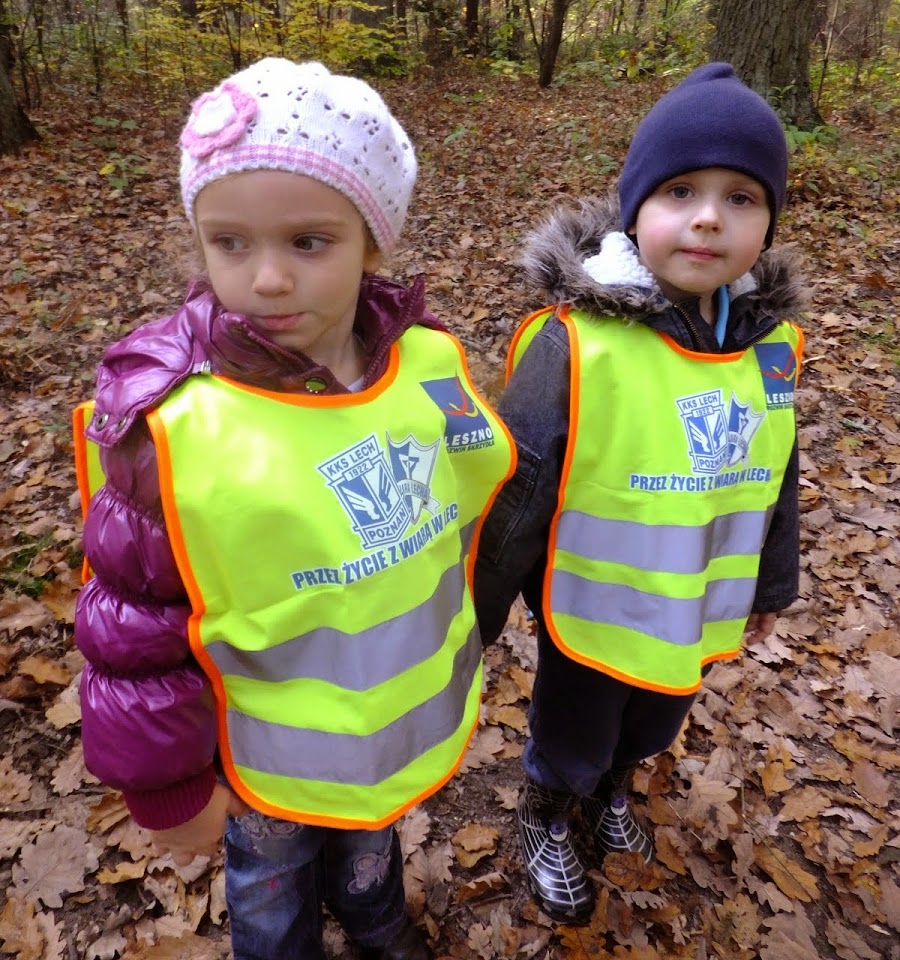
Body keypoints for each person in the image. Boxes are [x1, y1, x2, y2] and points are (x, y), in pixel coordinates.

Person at [73, 57, 516, 960]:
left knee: (369, 843)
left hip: (389, 727)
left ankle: (377, 921)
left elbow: (464, 517)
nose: (267, 279)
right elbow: (129, 628)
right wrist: (166, 788)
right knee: (271, 891)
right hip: (262, 755)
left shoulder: (421, 365)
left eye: (309, 242)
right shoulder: (172, 424)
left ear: (372, 244)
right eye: (230, 243)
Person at [474, 62, 804, 923]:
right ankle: (550, 809)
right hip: (595, 609)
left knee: (654, 722)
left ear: (767, 223)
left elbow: (776, 471)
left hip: (693, 602)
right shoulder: (577, 343)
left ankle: (612, 789)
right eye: (681, 190)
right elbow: (517, 492)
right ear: (634, 209)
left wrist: (770, 586)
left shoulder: (769, 348)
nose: (709, 216)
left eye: (741, 198)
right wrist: (473, 618)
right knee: (576, 731)